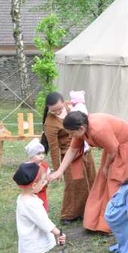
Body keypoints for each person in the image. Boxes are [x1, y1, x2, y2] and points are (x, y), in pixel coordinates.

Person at [49, 111, 128, 234]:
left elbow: (114, 150)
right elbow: (72, 150)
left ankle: (113, 222)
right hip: (112, 147)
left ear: (81, 128)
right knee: (102, 182)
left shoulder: (98, 130)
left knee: (116, 181)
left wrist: (106, 166)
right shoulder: (81, 130)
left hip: (126, 145)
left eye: (72, 133)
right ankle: (96, 221)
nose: (71, 136)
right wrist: (60, 171)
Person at [13, 161, 66, 253]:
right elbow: (43, 221)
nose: (45, 183)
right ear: (34, 186)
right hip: (31, 242)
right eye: (43, 181)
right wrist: (57, 232)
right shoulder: (30, 203)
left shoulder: (24, 198)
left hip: (31, 240)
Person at [42, 92, 96, 225]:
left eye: (59, 109)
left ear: (63, 102)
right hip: (69, 155)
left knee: (91, 179)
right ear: (48, 108)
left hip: (84, 149)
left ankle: (88, 210)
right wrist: (57, 170)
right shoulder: (50, 123)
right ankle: (69, 214)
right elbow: (54, 148)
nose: (57, 112)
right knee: (75, 185)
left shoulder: (70, 106)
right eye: (53, 110)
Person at [24, 138, 50, 212]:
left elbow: (48, 177)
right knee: (32, 210)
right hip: (30, 194)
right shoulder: (26, 167)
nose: (42, 156)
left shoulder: (45, 166)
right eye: (38, 154)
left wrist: (46, 181)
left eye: (43, 153)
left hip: (42, 192)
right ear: (31, 156)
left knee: (42, 208)